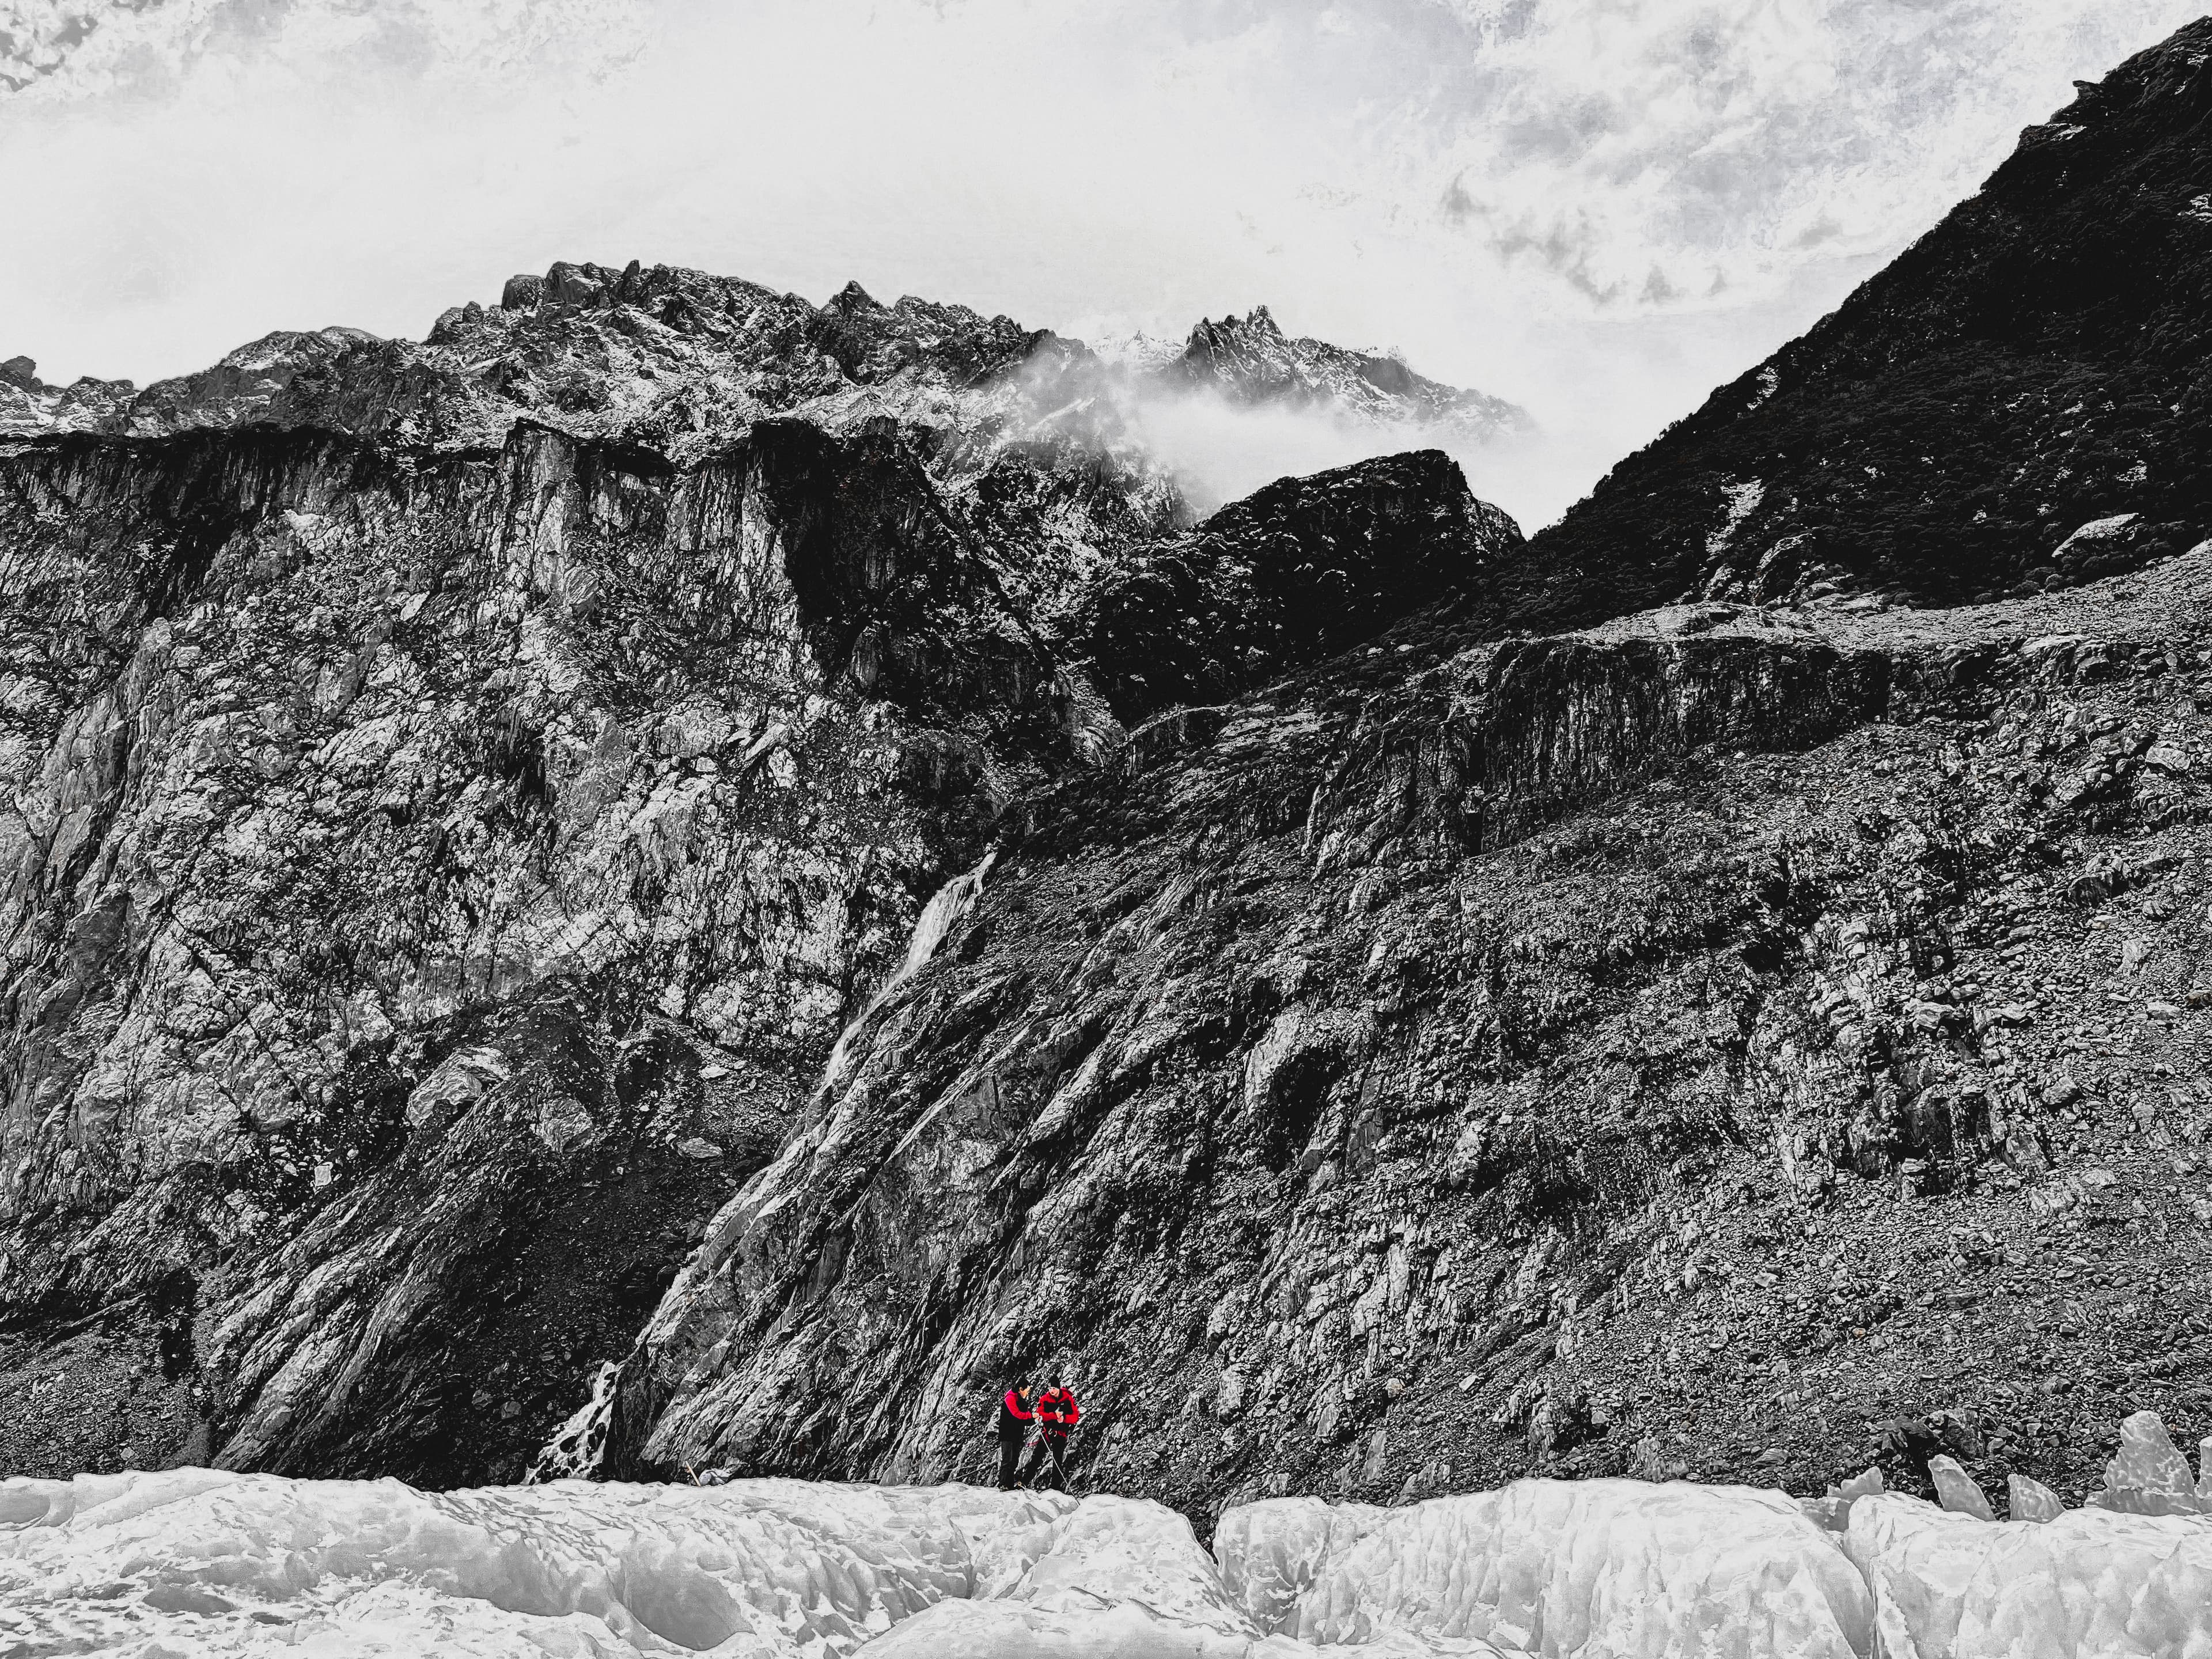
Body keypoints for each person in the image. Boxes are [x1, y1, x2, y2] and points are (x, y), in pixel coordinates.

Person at [1022, 1379, 1080, 1490]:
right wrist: (1054, 1415)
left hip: (1060, 1434)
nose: (1052, 1391)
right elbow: (1040, 1414)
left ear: (1058, 1388)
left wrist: (1064, 1419)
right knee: (1037, 1457)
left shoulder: (1067, 1398)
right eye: (1050, 1388)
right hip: (1047, 1432)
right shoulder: (1045, 1399)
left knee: (1057, 1460)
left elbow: (1075, 1416)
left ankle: (1055, 1488)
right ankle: (1025, 1482)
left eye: (1054, 1388)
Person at [995, 1384, 1037, 1489]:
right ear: (1021, 1389)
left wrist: (1035, 1420)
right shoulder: (1010, 1399)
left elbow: (1024, 1419)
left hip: (1017, 1436)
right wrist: (1032, 1416)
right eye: (1027, 1390)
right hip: (1007, 1435)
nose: (1028, 1393)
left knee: (1014, 1461)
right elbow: (1017, 1414)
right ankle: (1003, 1484)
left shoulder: (1022, 1402)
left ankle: (1009, 1484)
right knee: (1007, 1460)